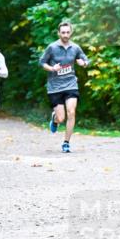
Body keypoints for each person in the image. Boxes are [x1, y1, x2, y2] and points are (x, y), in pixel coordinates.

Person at [39, 20, 89, 153]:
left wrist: (82, 63)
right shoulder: (52, 47)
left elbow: (86, 60)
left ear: (71, 32)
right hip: (55, 86)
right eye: (63, 32)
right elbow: (42, 62)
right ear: (58, 33)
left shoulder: (76, 48)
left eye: (67, 32)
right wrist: (51, 68)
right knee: (61, 118)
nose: (65, 35)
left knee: (71, 112)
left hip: (71, 84)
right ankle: (55, 119)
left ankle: (66, 143)